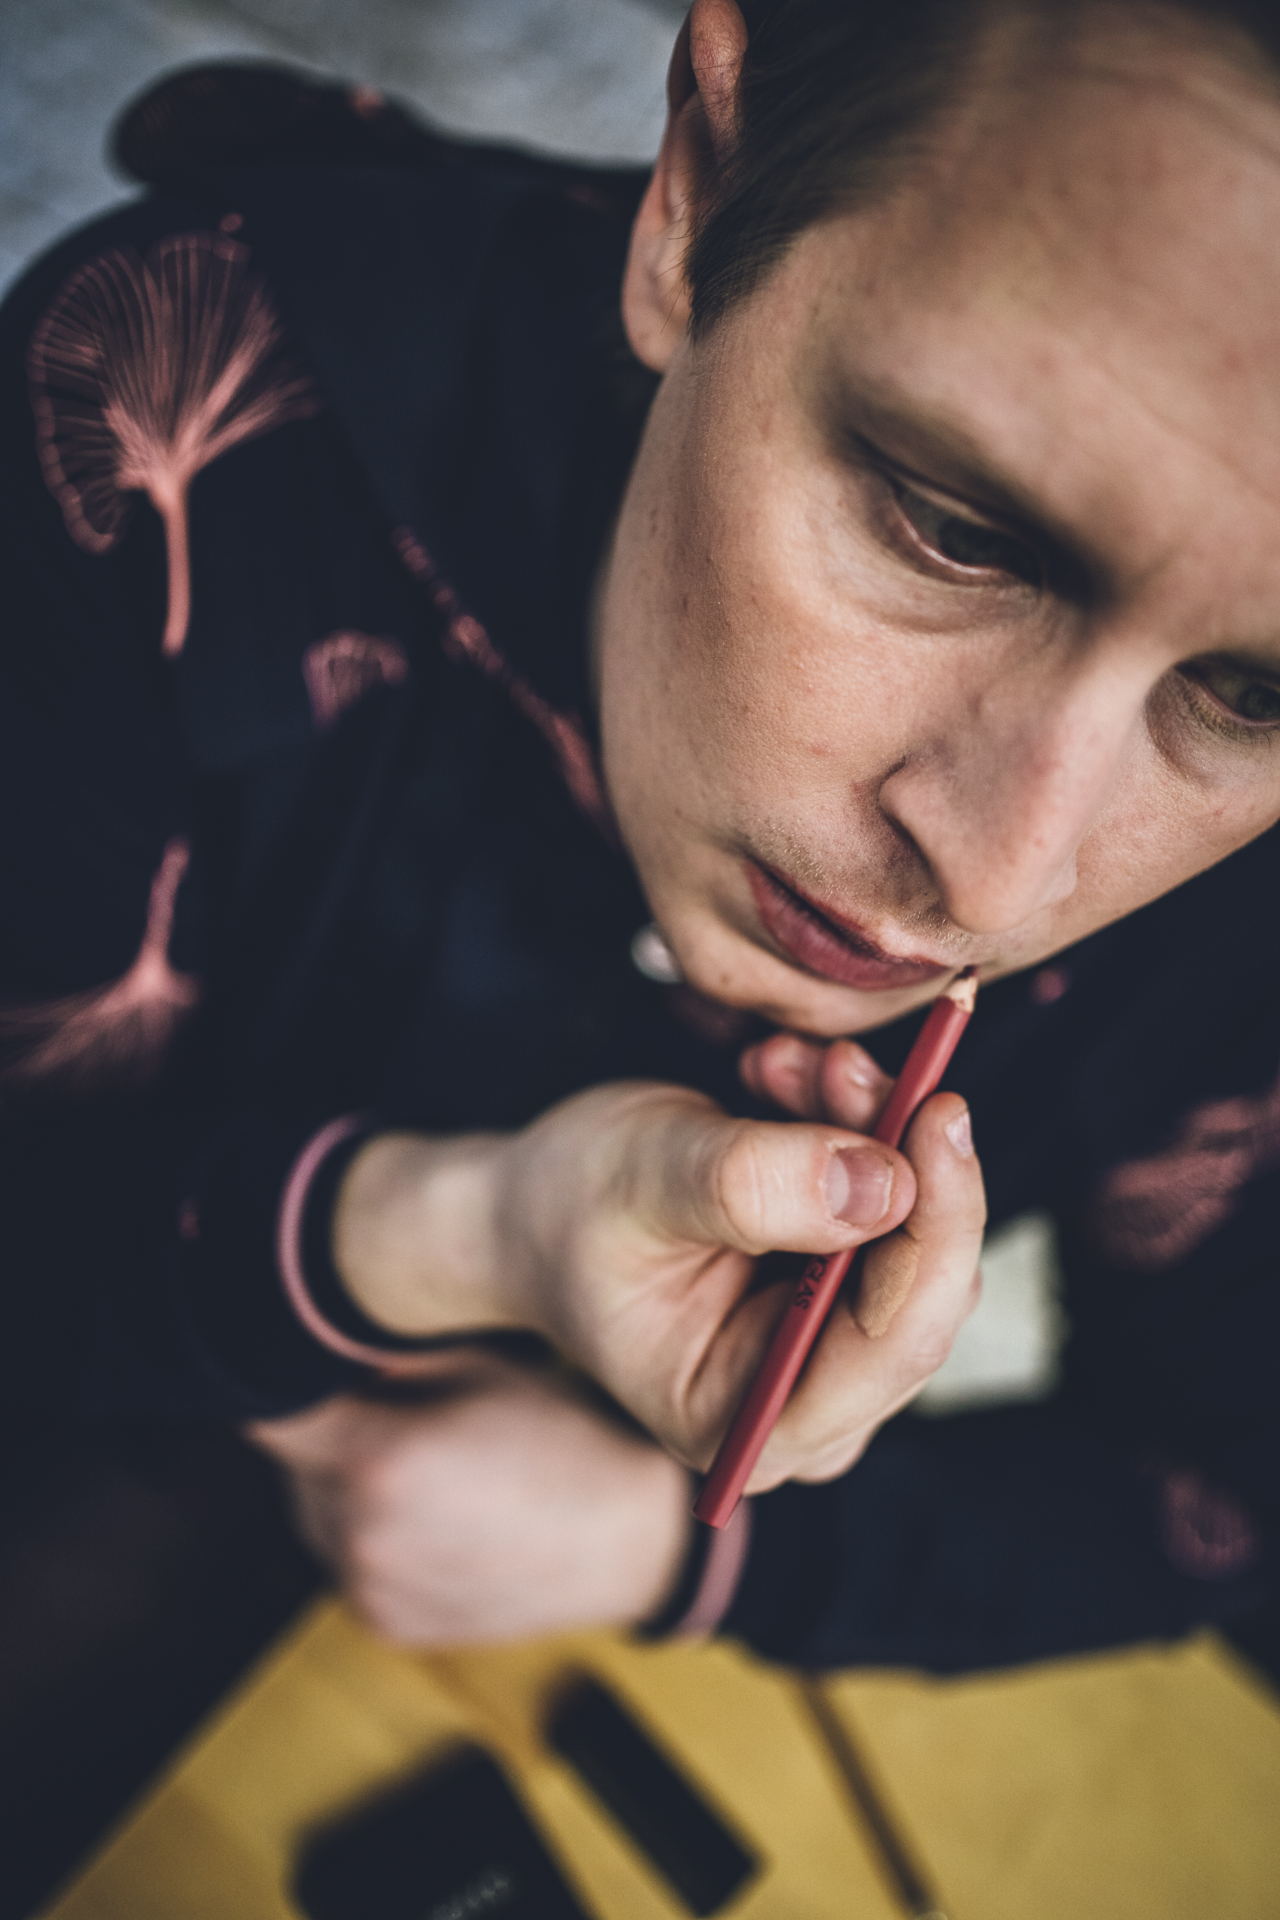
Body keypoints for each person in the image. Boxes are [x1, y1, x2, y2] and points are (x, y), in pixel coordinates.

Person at [3, 0, 1279, 1674]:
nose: (1002, 876)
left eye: (1252, 695)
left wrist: (673, 1545)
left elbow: (1225, 1486)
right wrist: (465, 1230)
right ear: (691, 201)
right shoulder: (169, 429)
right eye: (952, 529)